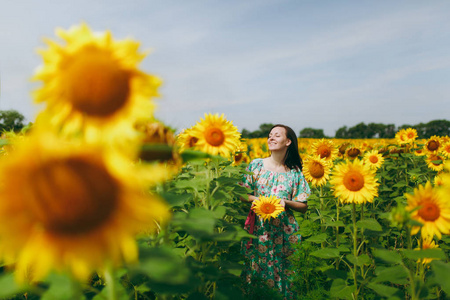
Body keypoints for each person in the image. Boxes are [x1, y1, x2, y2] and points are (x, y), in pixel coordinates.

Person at [240, 124, 310, 299]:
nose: (271, 138)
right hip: (259, 230)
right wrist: (259, 201)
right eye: (270, 135)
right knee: (257, 271)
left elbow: (303, 205)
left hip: (285, 232)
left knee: (286, 271)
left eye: (276, 136)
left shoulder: (294, 173)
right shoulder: (256, 165)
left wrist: (284, 202)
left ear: (288, 142)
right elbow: (242, 194)